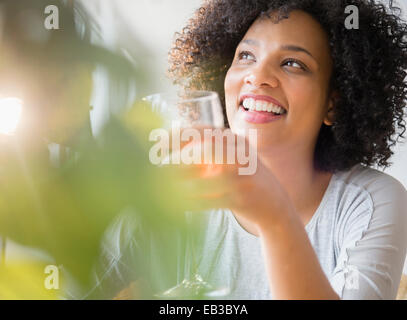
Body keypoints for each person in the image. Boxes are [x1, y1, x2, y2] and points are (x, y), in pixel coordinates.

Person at [90, 0, 407, 300]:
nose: (258, 76)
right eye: (246, 56)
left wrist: (275, 216)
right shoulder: (171, 183)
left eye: (292, 63)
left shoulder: (371, 202)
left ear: (333, 105)